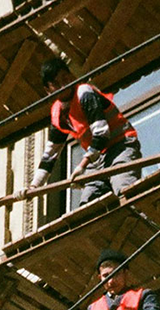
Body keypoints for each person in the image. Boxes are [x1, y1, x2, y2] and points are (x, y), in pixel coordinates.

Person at [23, 57, 142, 205]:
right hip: (97, 159)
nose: (63, 85)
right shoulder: (58, 113)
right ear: (48, 90)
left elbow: (101, 133)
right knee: (87, 208)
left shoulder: (84, 93)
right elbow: (50, 154)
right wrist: (34, 186)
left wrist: (81, 166)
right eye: (55, 83)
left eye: (65, 78)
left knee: (126, 194)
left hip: (120, 147)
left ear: (71, 76)